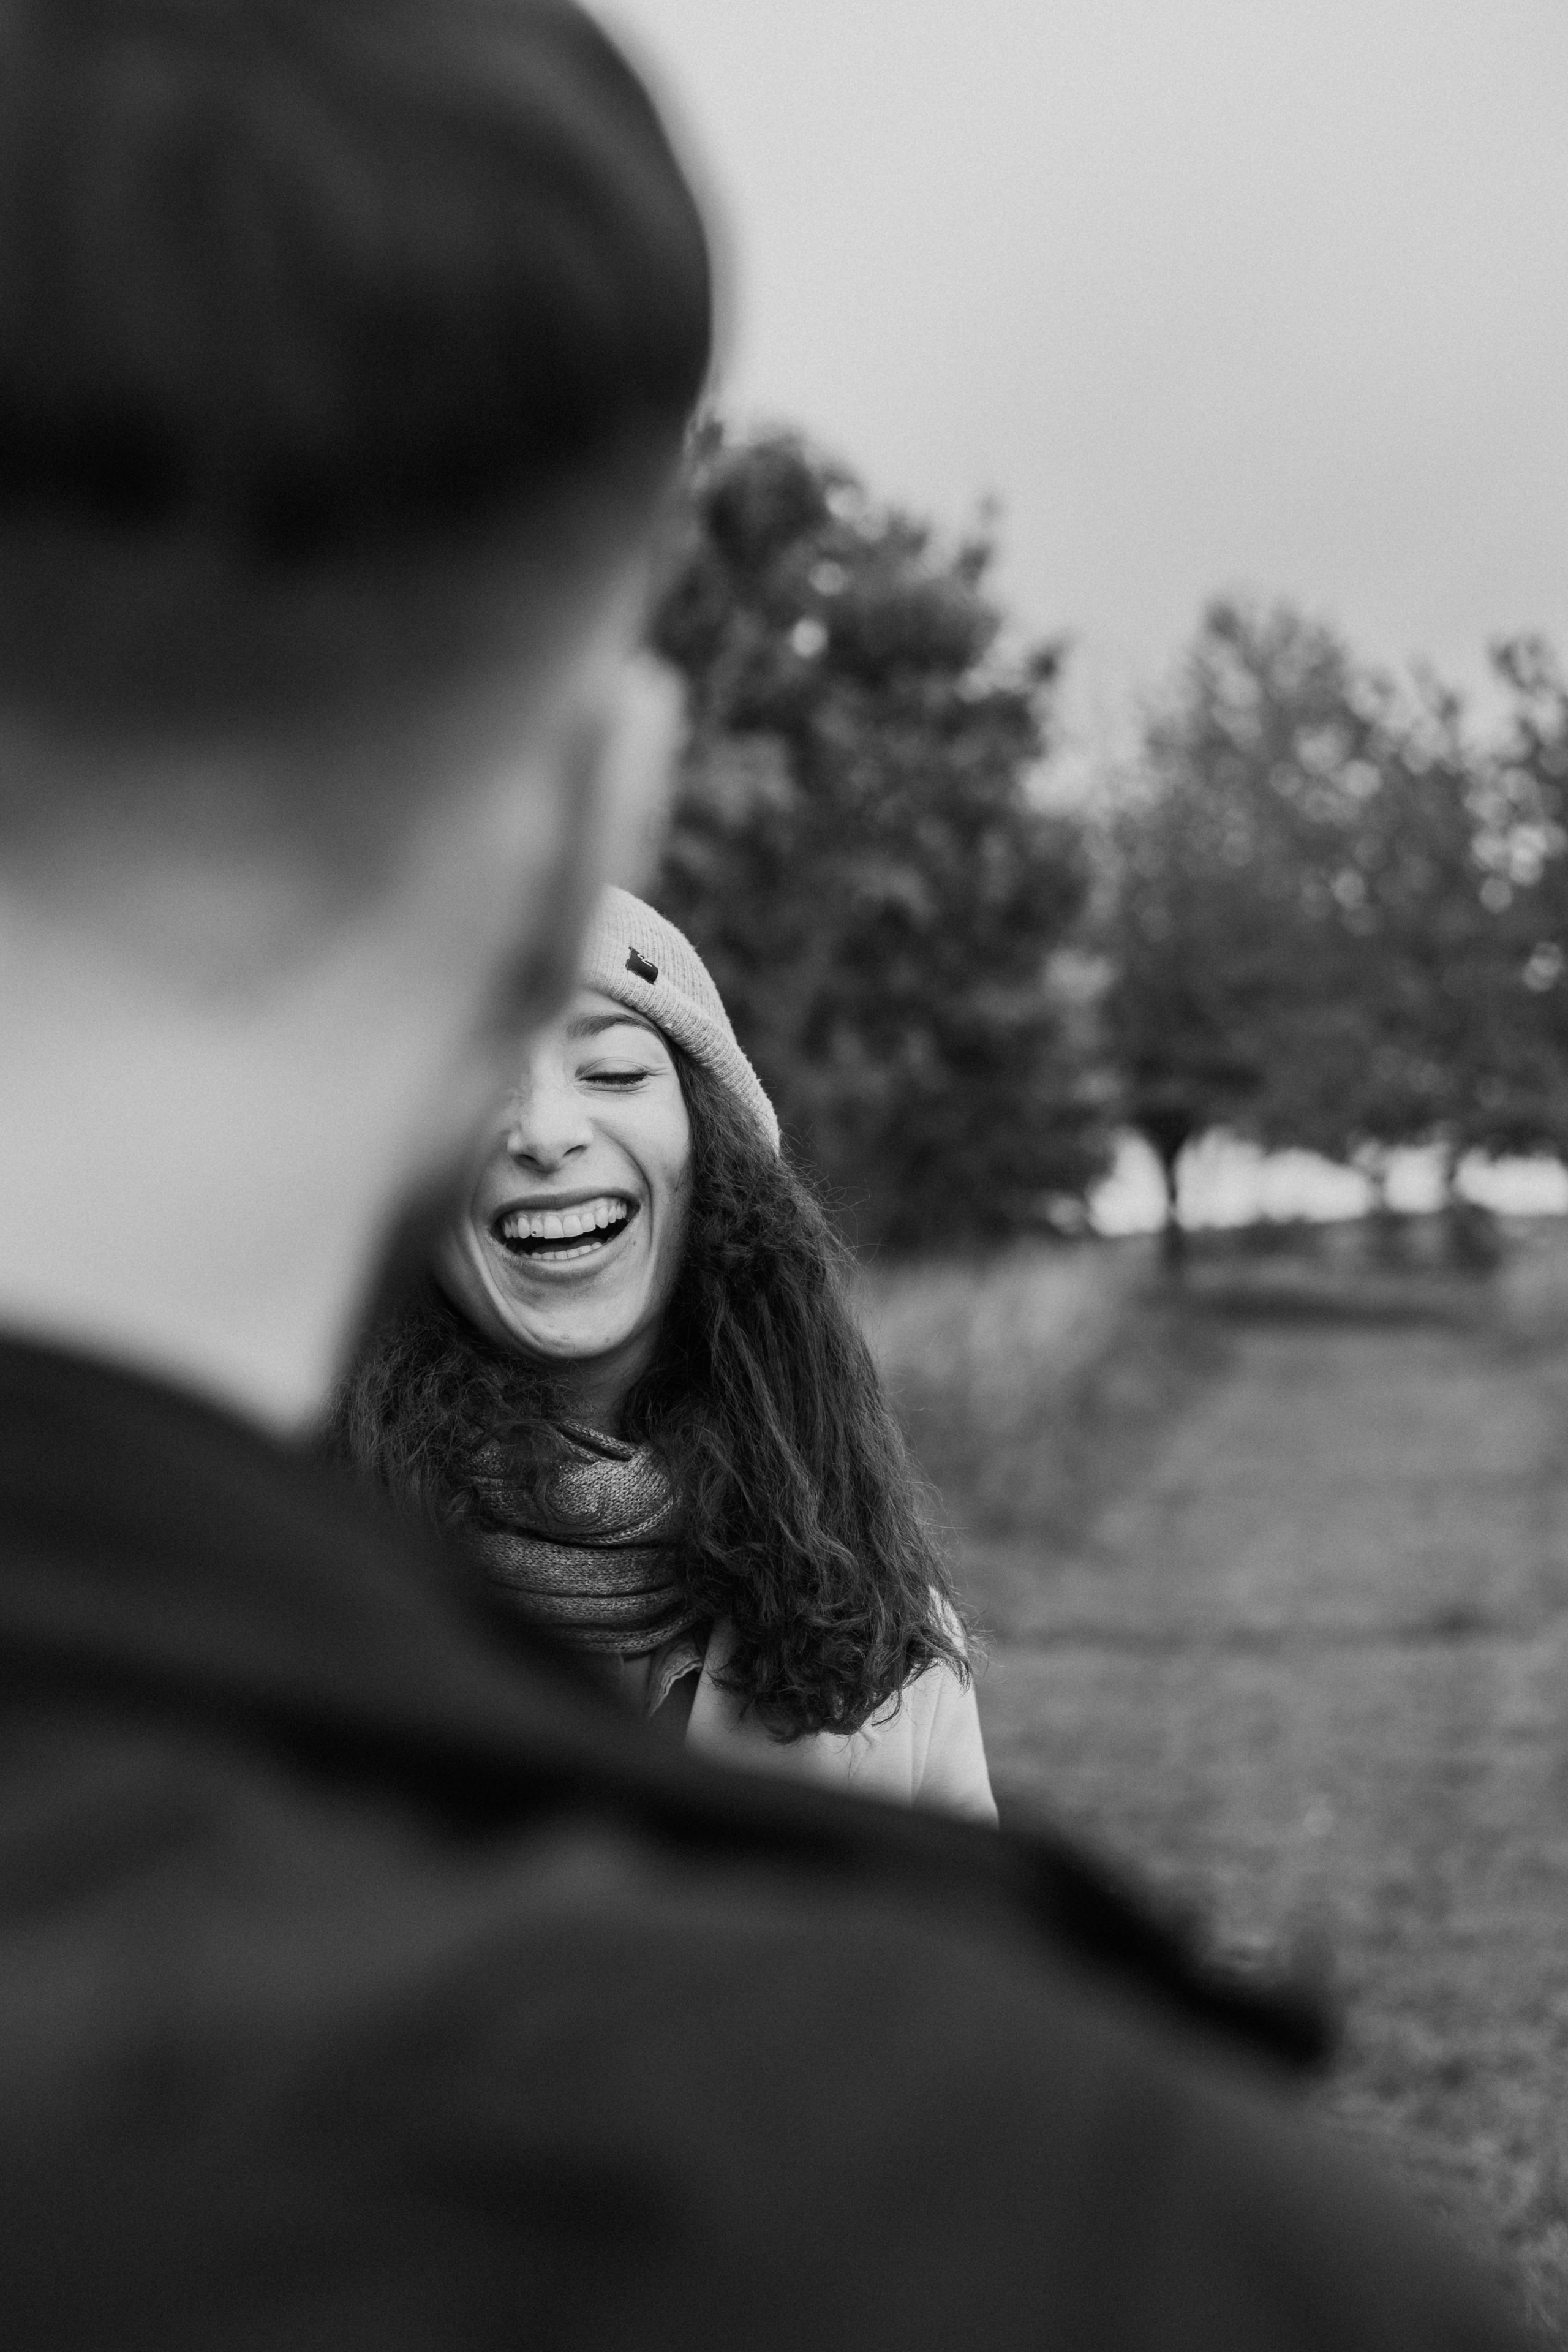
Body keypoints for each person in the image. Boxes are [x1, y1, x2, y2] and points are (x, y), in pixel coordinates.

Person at [0, 0, 1530, 2345]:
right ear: (587, 808)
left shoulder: (862, 1681)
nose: (552, 1128)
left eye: (623, 1068)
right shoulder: (1086, 2230)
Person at [333, 887, 997, 1820]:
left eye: (610, 1072)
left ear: (713, 1148)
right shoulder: (272, 1588)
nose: (548, 1134)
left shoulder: (882, 1626)